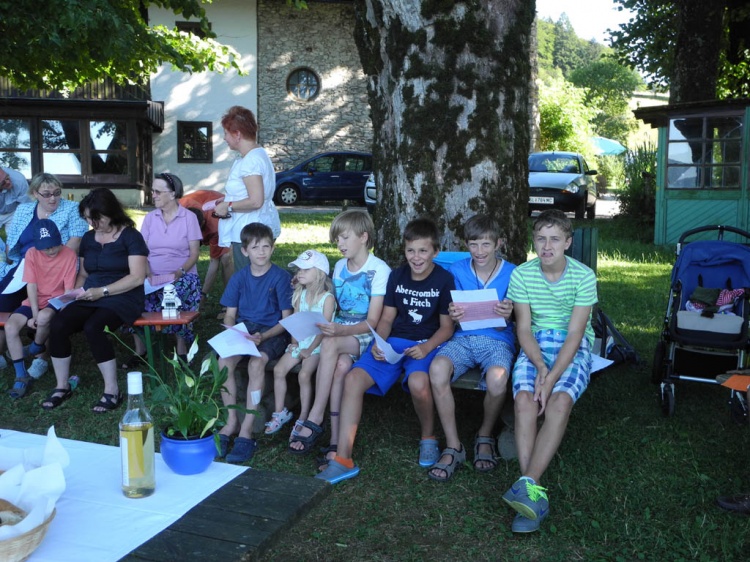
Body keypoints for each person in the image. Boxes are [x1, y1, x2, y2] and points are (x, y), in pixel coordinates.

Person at [316, 218, 455, 484]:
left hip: (426, 343)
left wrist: (425, 347)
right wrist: (380, 342)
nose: (416, 257)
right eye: (411, 250)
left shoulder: (444, 280)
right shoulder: (397, 276)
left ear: (435, 252)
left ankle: (428, 436)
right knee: (354, 378)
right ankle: (343, 458)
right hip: (392, 343)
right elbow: (388, 319)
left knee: (417, 382)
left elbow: (447, 327)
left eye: (423, 251)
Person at [501, 209, 597, 533]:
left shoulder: (584, 276)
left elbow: (575, 334)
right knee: (525, 400)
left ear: (568, 242)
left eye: (555, 239)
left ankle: (526, 483)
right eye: (540, 238)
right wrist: (541, 367)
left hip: (573, 346)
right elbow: (524, 329)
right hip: (536, 345)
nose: (547, 246)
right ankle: (531, 495)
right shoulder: (522, 275)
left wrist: (553, 377)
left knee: (558, 402)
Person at [288, 210, 391, 461]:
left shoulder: (379, 269)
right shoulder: (339, 266)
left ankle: (315, 415)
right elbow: (332, 303)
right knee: (341, 366)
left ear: (364, 237)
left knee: (332, 344)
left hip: (364, 332)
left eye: (344, 238)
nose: (340, 244)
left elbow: (374, 321)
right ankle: (335, 441)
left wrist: (341, 330)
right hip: (339, 330)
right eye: (337, 240)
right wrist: (302, 284)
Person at [42, 188, 148, 412]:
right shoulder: (89, 238)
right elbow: (84, 274)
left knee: (94, 327)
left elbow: (137, 277)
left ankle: (112, 390)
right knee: (59, 323)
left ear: (111, 212)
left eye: (96, 218)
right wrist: (72, 295)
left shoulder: (131, 236)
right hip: (90, 294)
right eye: (88, 218)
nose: (92, 223)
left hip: (123, 296)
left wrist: (104, 291)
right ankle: (62, 386)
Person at [427, 214, 516, 482]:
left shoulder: (513, 272)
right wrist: (451, 313)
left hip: (497, 340)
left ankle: (485, 433)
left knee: (498, 381)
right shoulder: (456, 271)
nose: (479, 251)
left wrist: (510, 312)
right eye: (474, 244)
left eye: (486, 245)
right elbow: (446, 310)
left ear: (498, 243)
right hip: (462, 339)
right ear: (466, 244)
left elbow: (522, 316)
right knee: (438, 369)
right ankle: (454, 444)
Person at [217, 222, 293, 463]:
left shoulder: (281, 277)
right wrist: (232, 330)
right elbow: (230, 312)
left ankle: (247, 429)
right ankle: (230, 423)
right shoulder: (239, 278)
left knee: (257, 363)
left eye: (266, 246)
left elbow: (286, 321)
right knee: (223, 362)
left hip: (272, 333)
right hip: (244, 331)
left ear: (273, 248)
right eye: (255, 247)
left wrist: (265, 336)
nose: (261, 252)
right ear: (244, 251)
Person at [0, 172, 89, 378]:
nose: (53, 198)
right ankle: (4, 352)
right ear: (35, 194)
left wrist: (49, 267)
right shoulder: (23, 210)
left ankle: (41, 356)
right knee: (3, 302)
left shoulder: (71, 209)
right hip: (24, 266)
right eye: (47, 194)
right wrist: (10, 264)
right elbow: (12, 243)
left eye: (57, 193)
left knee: (47, 306)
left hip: (57, 268)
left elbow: (75, 242)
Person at [123, 173, 202, 367]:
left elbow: (194, 254)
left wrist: (179, 272)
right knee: (129, 294)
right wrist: (148, 272)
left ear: (173, 193)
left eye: (158, 191)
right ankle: (141, 350)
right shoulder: (150, 218)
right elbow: (141, 251)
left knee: (178, 291)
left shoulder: (188, 218)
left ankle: (181, 350)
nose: (154, 195)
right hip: (153, 275)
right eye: (153, 191)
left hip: (181, 275)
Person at [6, 219, 77, 399]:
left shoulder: (69, 254)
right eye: (45, 248)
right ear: (37, 245)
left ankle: (34, 348)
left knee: (45, 317)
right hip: (35, 300)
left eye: (54, 245)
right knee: (10, 326)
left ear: (60, 239)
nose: (51, 250)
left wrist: (42, 316)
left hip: (57, 299)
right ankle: (21, 375)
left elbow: (69, 291)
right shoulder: (31, 253)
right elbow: (31, 285)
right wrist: (34, 313)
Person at [268, 250, 336, 435]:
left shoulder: (327, 299)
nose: (300, 273)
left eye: (306, 269)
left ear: (320, 272)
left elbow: (325, 329)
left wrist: (310, 349)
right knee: (279, 370)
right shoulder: (300, 294)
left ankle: (304, 416)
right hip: (301, 343)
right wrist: (294, 343)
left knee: (304, 375)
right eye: (299, 269)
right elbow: (296, 322)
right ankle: (280, 412)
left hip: (318, 346)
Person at [213, 106, 281, 271]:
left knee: (250, 279)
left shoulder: (251, 160)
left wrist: (228, 206)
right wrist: (229, 199)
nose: (224, 138)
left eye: (226, 133)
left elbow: (256, 200)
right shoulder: (256, 155)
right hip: (253, 229)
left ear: (237, 134)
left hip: (250, 232)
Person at [179, 189, 234, 308]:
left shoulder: (215, 226)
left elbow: (214, 262)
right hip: (200, 204)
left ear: (203, 224)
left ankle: (231, 301)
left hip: (225, 212)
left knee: (225, 258)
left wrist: (202, 295)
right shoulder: (179, 209)